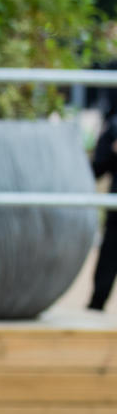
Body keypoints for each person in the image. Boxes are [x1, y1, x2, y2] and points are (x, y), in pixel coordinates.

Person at [88, 111, 117, 311]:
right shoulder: (114, 125)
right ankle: (96, 304)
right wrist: (112, 151)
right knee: (109, 256)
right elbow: (97, 169)